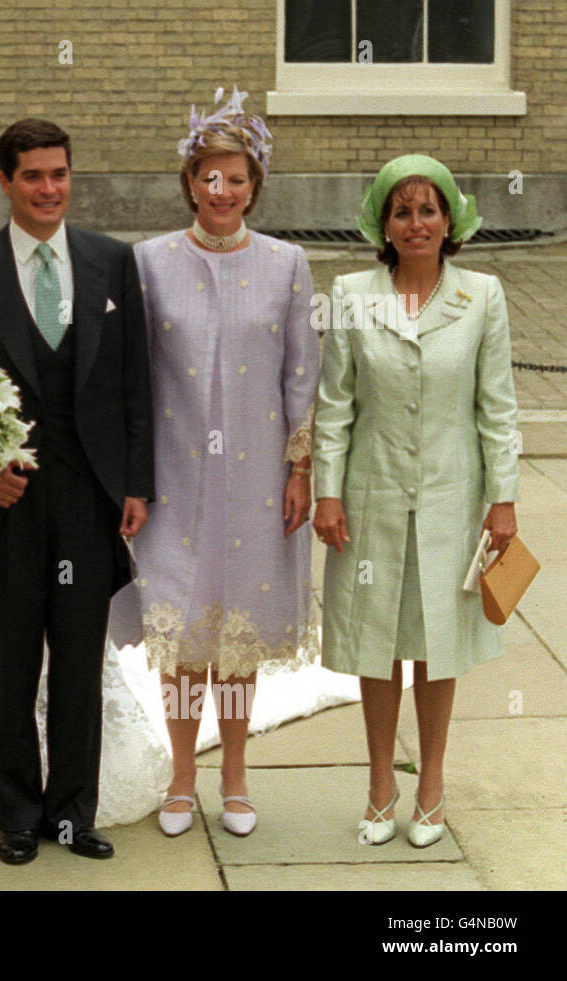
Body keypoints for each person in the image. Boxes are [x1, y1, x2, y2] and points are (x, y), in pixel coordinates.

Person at [0, 118, 155, 865]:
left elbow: (134, 383)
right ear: (5, 182)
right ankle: (19, 813)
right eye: (32, 176)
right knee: (10, 664)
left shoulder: (111, 262)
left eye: (59, 174)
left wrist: (137, 484)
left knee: (80, 662)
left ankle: (71, 814)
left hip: (88, 501)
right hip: (6, 507)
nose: (48, 189)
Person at [107, 88, 319, 839]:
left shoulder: (288, 264)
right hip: (173, 475)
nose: (222, 191)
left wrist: (300, 470)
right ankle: (180, 771)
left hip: (258, 481)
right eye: (209, 177)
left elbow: (302, 374)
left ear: (255, 184)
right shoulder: (148, 263)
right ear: (190, 183)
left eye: (236, 178)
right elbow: (133, 377)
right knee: (183, 630)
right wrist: (131, 478)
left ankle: (234, 772)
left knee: (238, 633)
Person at [312, 154, 519, 848]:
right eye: (402, 210)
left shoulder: (482, 297)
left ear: (451, 218)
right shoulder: (351, 295)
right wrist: (328, 492)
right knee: (376, 641)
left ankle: (431, 781)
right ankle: (379, 782)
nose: (416, 222)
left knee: (437, 643)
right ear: (384, 222)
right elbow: (334, 406)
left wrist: (504, 499)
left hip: (450, 499)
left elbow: (497, 408)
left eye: (428, 208)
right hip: (369, 498)